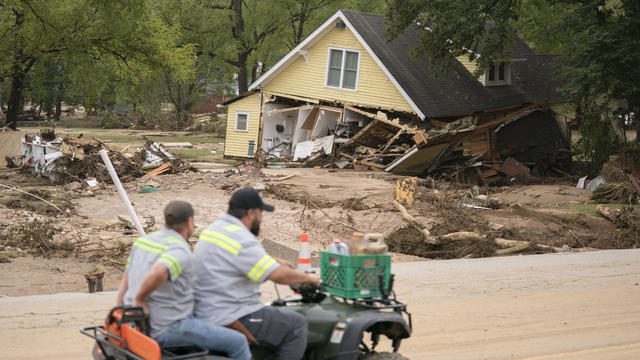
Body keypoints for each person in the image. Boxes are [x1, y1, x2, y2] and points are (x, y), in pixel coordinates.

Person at [193, 188, 320, 360]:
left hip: (205, 308)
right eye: (261, 213)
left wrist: (274, 260)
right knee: (296, 324)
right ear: (251, 213)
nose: (261, 218)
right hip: (230, 313)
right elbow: (278, 276)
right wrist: (310, 278)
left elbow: (236, 255)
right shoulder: (242, 238)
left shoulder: (216, 229)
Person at [116, 200, 251, 360]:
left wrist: (120, 315)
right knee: (239, 341)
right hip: (169, 328)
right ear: (190, 222)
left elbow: (125, 283)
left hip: (138, 327)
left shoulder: (142, 242)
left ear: (166, 220)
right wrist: (139, 299)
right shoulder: (180, 250)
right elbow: (158, 272)